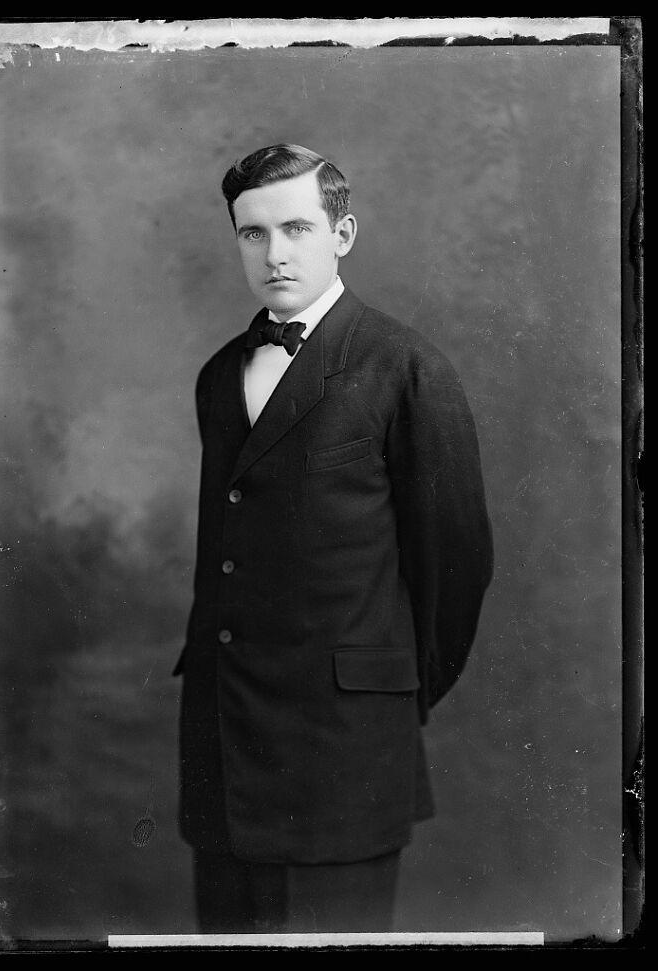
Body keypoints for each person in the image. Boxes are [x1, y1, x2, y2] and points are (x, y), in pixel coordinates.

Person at [173, 143, 494, 934]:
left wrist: (385, 691)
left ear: (343, 234)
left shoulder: (407, 366)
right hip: (225, 737)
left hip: (343, 747)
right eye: (253, 234)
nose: (275, 253)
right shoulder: (221, 373)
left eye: (297, 228)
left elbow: (457, 563)